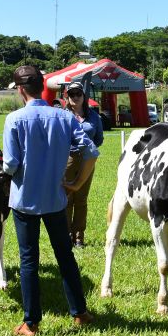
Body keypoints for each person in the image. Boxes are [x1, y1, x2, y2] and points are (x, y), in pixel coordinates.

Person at [2, 65, 99, 336]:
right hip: (56, 199)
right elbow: (91, 151)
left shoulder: (14, 119)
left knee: (28, 260)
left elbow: (10, 164)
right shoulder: (65, 117)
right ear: (41, 86)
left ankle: (31, 322)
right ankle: (80, 313)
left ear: (20, 90)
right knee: (65, 255)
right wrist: (77, 183)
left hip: (24, 200)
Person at [61, 81, 104, 247]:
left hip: (87, 160)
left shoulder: (94, 117)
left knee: (81, 198)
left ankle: (78, 236)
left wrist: (88, 149)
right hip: (67, 159)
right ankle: (65, 235)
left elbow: (99, 139)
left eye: (78, 93)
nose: (75, 97)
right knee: (66, 197)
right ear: (67, 97)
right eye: (72, 94)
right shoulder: (62, 116)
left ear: (84, 96)